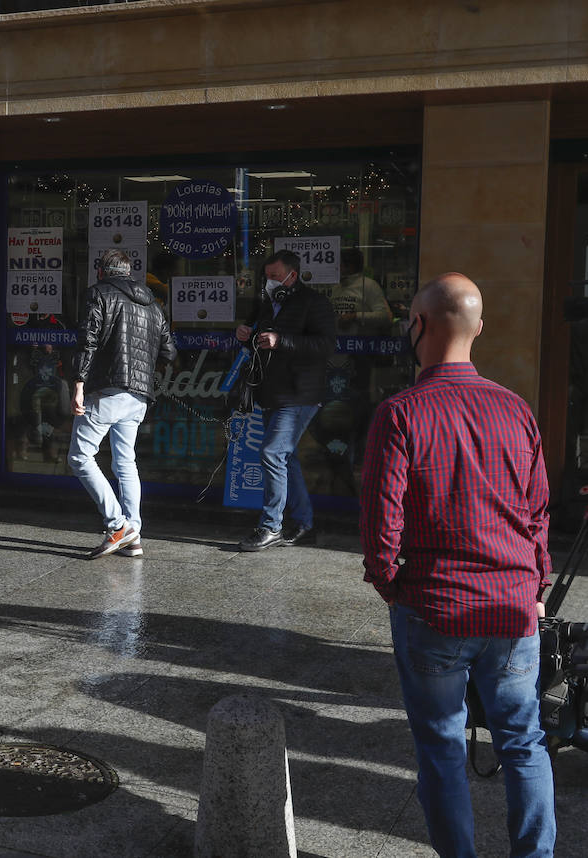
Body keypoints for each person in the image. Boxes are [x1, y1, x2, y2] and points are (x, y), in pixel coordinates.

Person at [360, 273, 555, 858]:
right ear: (479, 329)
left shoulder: (400, 414)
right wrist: (536, 585)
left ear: (417, 326)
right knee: (524, 741)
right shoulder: (516, 409)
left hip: (434, 604)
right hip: (511, 607)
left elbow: (380, 522)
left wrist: (390, 584)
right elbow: (538, 510)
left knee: (441, 746)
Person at [68, 249, 177, 559]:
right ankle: (134, 534)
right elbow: (169, 352)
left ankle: (118, 525)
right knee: (125, 463)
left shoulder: (98, 294)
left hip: (107, 389)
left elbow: (87, 339)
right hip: (138, 395)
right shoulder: (153, 305)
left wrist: (78, 384)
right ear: (129, 273)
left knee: (80, 456)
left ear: (102, 271)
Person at [233, 249, 336, 551]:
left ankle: (271, 526)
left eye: (276, 277)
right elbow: (259, 340)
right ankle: (304, 523)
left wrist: (281, 341)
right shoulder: (266, 302)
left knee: (272, 453)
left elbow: (326, 345)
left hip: (300, 392)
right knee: (284, 458)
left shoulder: (314, 303)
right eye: (267, 277)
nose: (270, 282)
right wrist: (246, 334)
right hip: (273, 391)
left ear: (293, 274)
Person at [330, 248, 393, 336]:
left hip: (363, 344)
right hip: (339, 343)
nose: (336, 268)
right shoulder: (336, 287)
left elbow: (384, 317)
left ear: (350, 266)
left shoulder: (369, 285)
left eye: (339, 265)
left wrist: (355, 316)